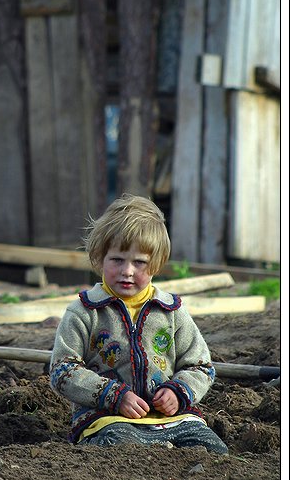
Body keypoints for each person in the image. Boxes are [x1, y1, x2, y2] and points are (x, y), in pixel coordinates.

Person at [49, 193, 228, 454]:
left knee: (214, 450)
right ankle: (152, 450)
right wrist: (114, 395)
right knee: (119, 446)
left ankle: (162, 445)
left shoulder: (172, 311)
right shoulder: (84, 311)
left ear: (156, 264)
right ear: (100, 258)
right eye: (117, 260)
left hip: (173, 420)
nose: (128, 271)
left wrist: (179, 392)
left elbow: (200, 365)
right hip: (109, 419)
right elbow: (62, 370)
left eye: (140, 262)